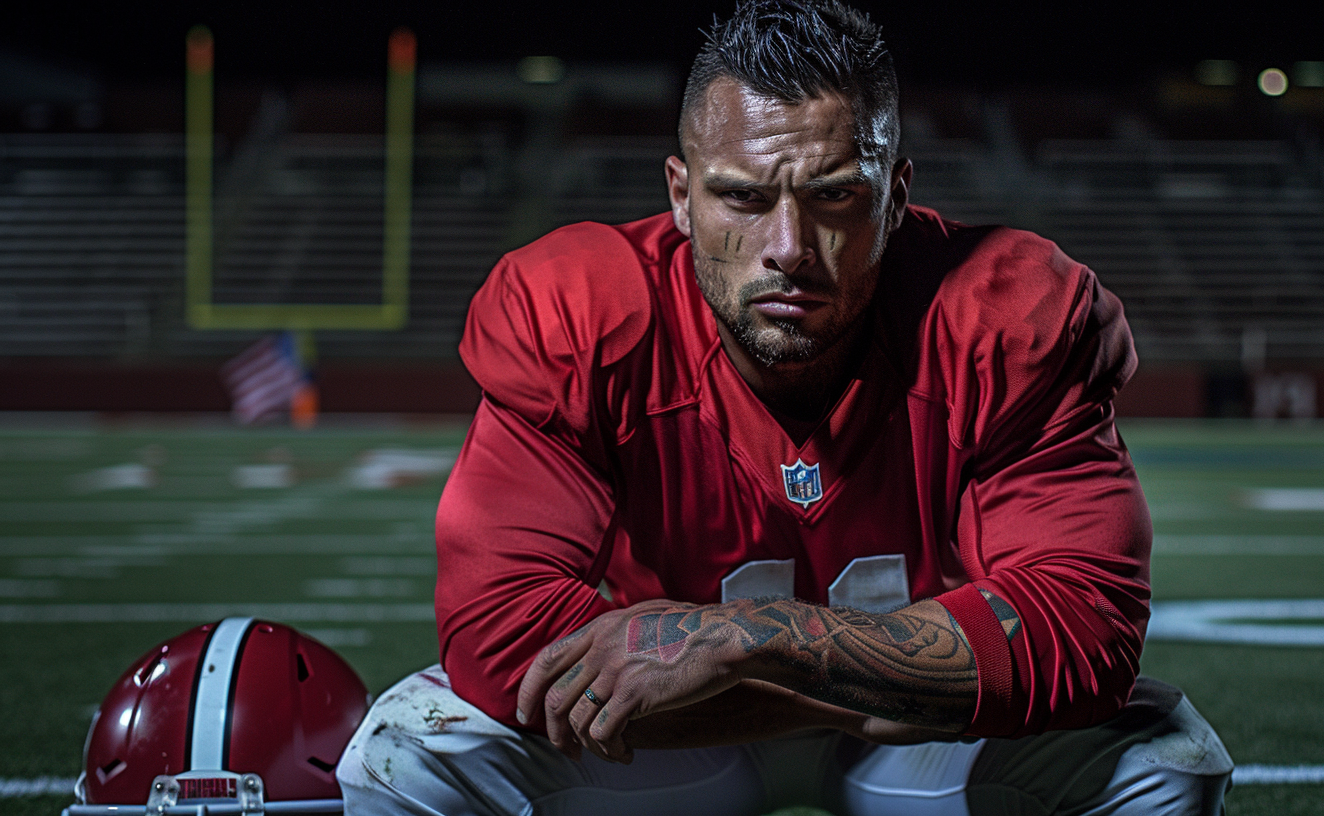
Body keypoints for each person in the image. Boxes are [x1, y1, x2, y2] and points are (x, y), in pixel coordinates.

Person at [338, 1, 1234, 813]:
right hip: (685, 728)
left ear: (896, 195)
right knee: (404, 759)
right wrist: (884, 672)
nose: (788, 248)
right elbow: (501, 638)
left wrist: (743, 641)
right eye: (743, 195)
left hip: (912, 742)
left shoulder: (1008, 314)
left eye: (834, 195)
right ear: (681, 197)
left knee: (1165, 768)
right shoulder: (580, 311)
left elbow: (1082, 635)